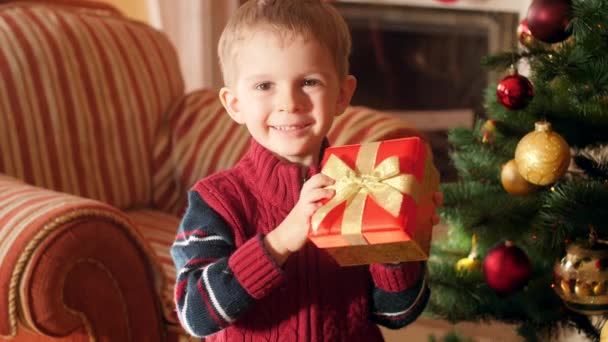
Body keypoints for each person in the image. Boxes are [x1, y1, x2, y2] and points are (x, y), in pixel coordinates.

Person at [170, 0, 441, 340]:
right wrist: (280, 241)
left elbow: (397, 313)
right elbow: (194, 315)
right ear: (234, 104)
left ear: (342, 95)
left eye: (309, 82)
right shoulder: (216, 201)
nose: (290, 102)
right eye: (264, 86)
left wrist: (398, 244)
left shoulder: (366, 183)